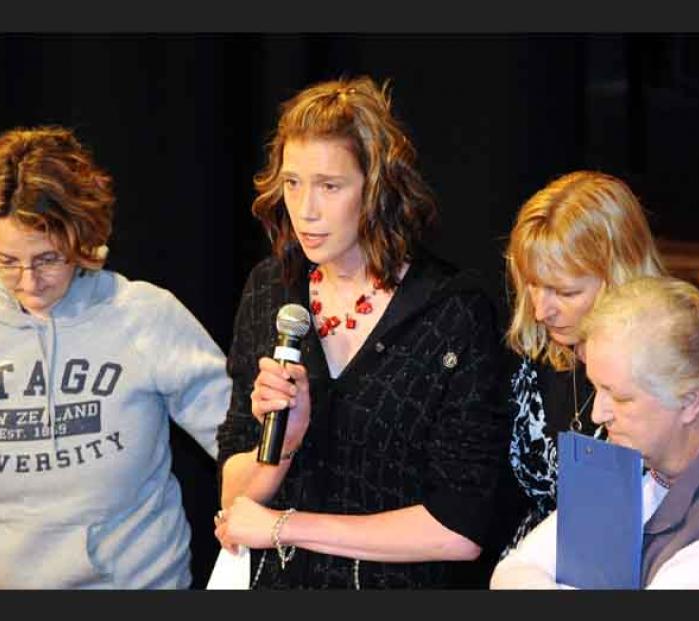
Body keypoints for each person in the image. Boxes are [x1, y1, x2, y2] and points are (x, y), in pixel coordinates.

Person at [0, 126, 232, 589]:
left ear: (84, 240)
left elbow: (241, 442)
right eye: (6, 261)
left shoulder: (145, 318)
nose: (29, 282)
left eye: (48, 258)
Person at [213, 76, 515, 589]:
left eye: (330, 186)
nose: (305, 209)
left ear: (376, 189)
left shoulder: (451, 311)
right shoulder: (272, 289)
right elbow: (234, 498)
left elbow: (460, 528)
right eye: (291, 183)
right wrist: (286, 445)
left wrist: (287, 528)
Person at [491, 276, 699, 589]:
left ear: (690, 400)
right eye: (596, 389)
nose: (597, 414)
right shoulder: (661, 450)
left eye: (621, 397)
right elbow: (512, 571)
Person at [502, 170, 666, 549]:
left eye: (565, 292)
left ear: (618, 275)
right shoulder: (536, 352)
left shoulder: (665, 369)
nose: (542, 311)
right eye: (534, 285)